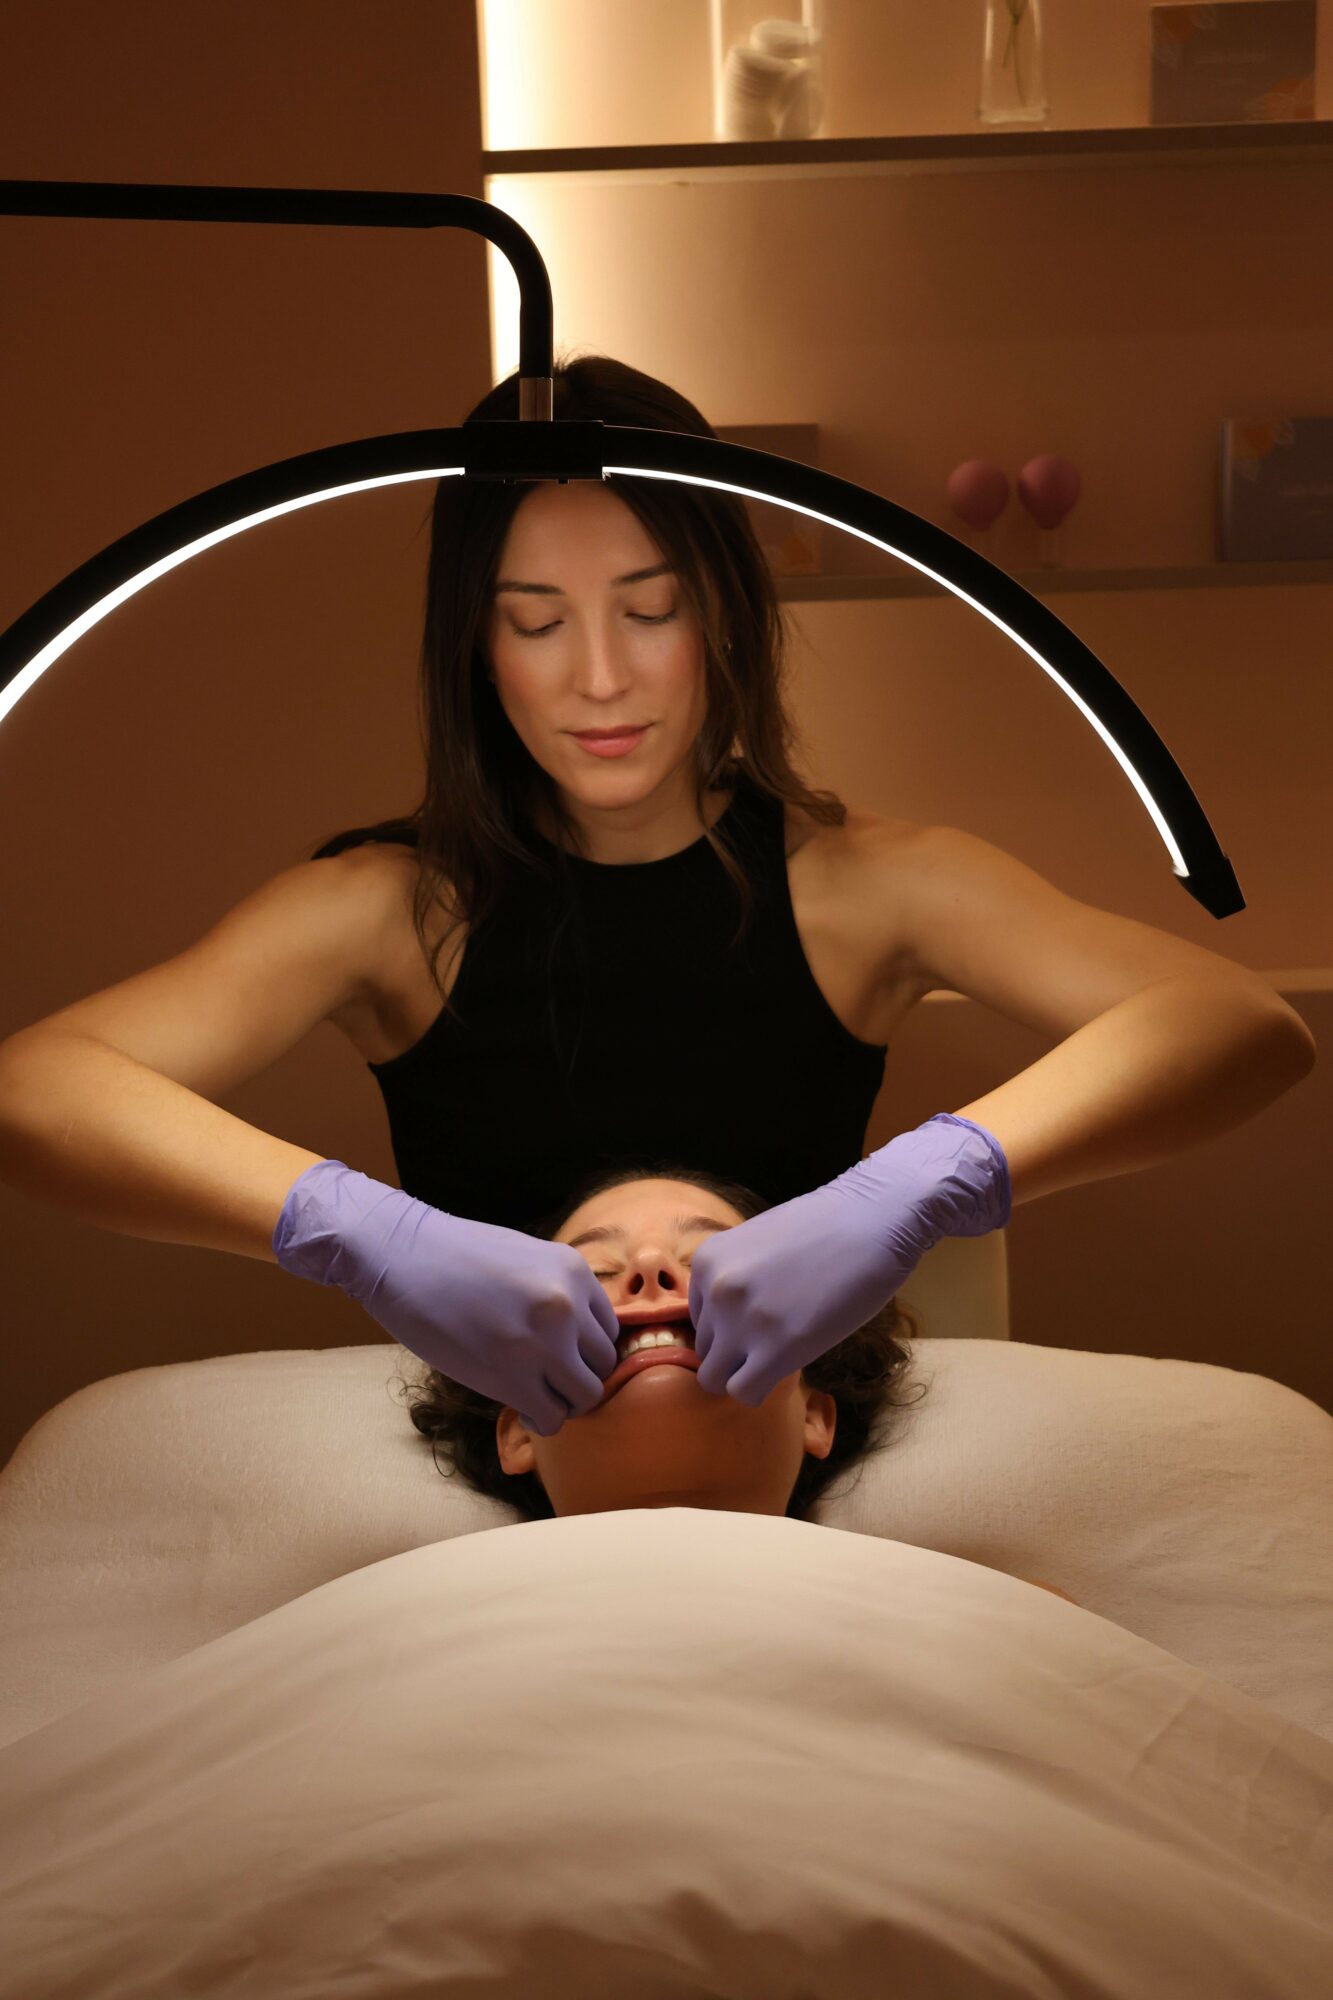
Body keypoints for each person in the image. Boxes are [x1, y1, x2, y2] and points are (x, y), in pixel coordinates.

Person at [0, 352, 1314, 1470]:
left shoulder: (866, 885)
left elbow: (1235, 1024)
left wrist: (922, 1187)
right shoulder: (392, 912)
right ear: (475, 647)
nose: (600, 676)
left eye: (650, 608)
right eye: (535, 623)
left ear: (723, 612)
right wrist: (354, 1233)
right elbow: (35, 1090)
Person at [396, 1155, 1079, 1603]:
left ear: (815, 1414)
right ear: (516, 1430)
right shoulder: (399, 1617)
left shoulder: (997, 1614)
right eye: (595, 1273)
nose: (652, 1268)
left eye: (709, 1265)